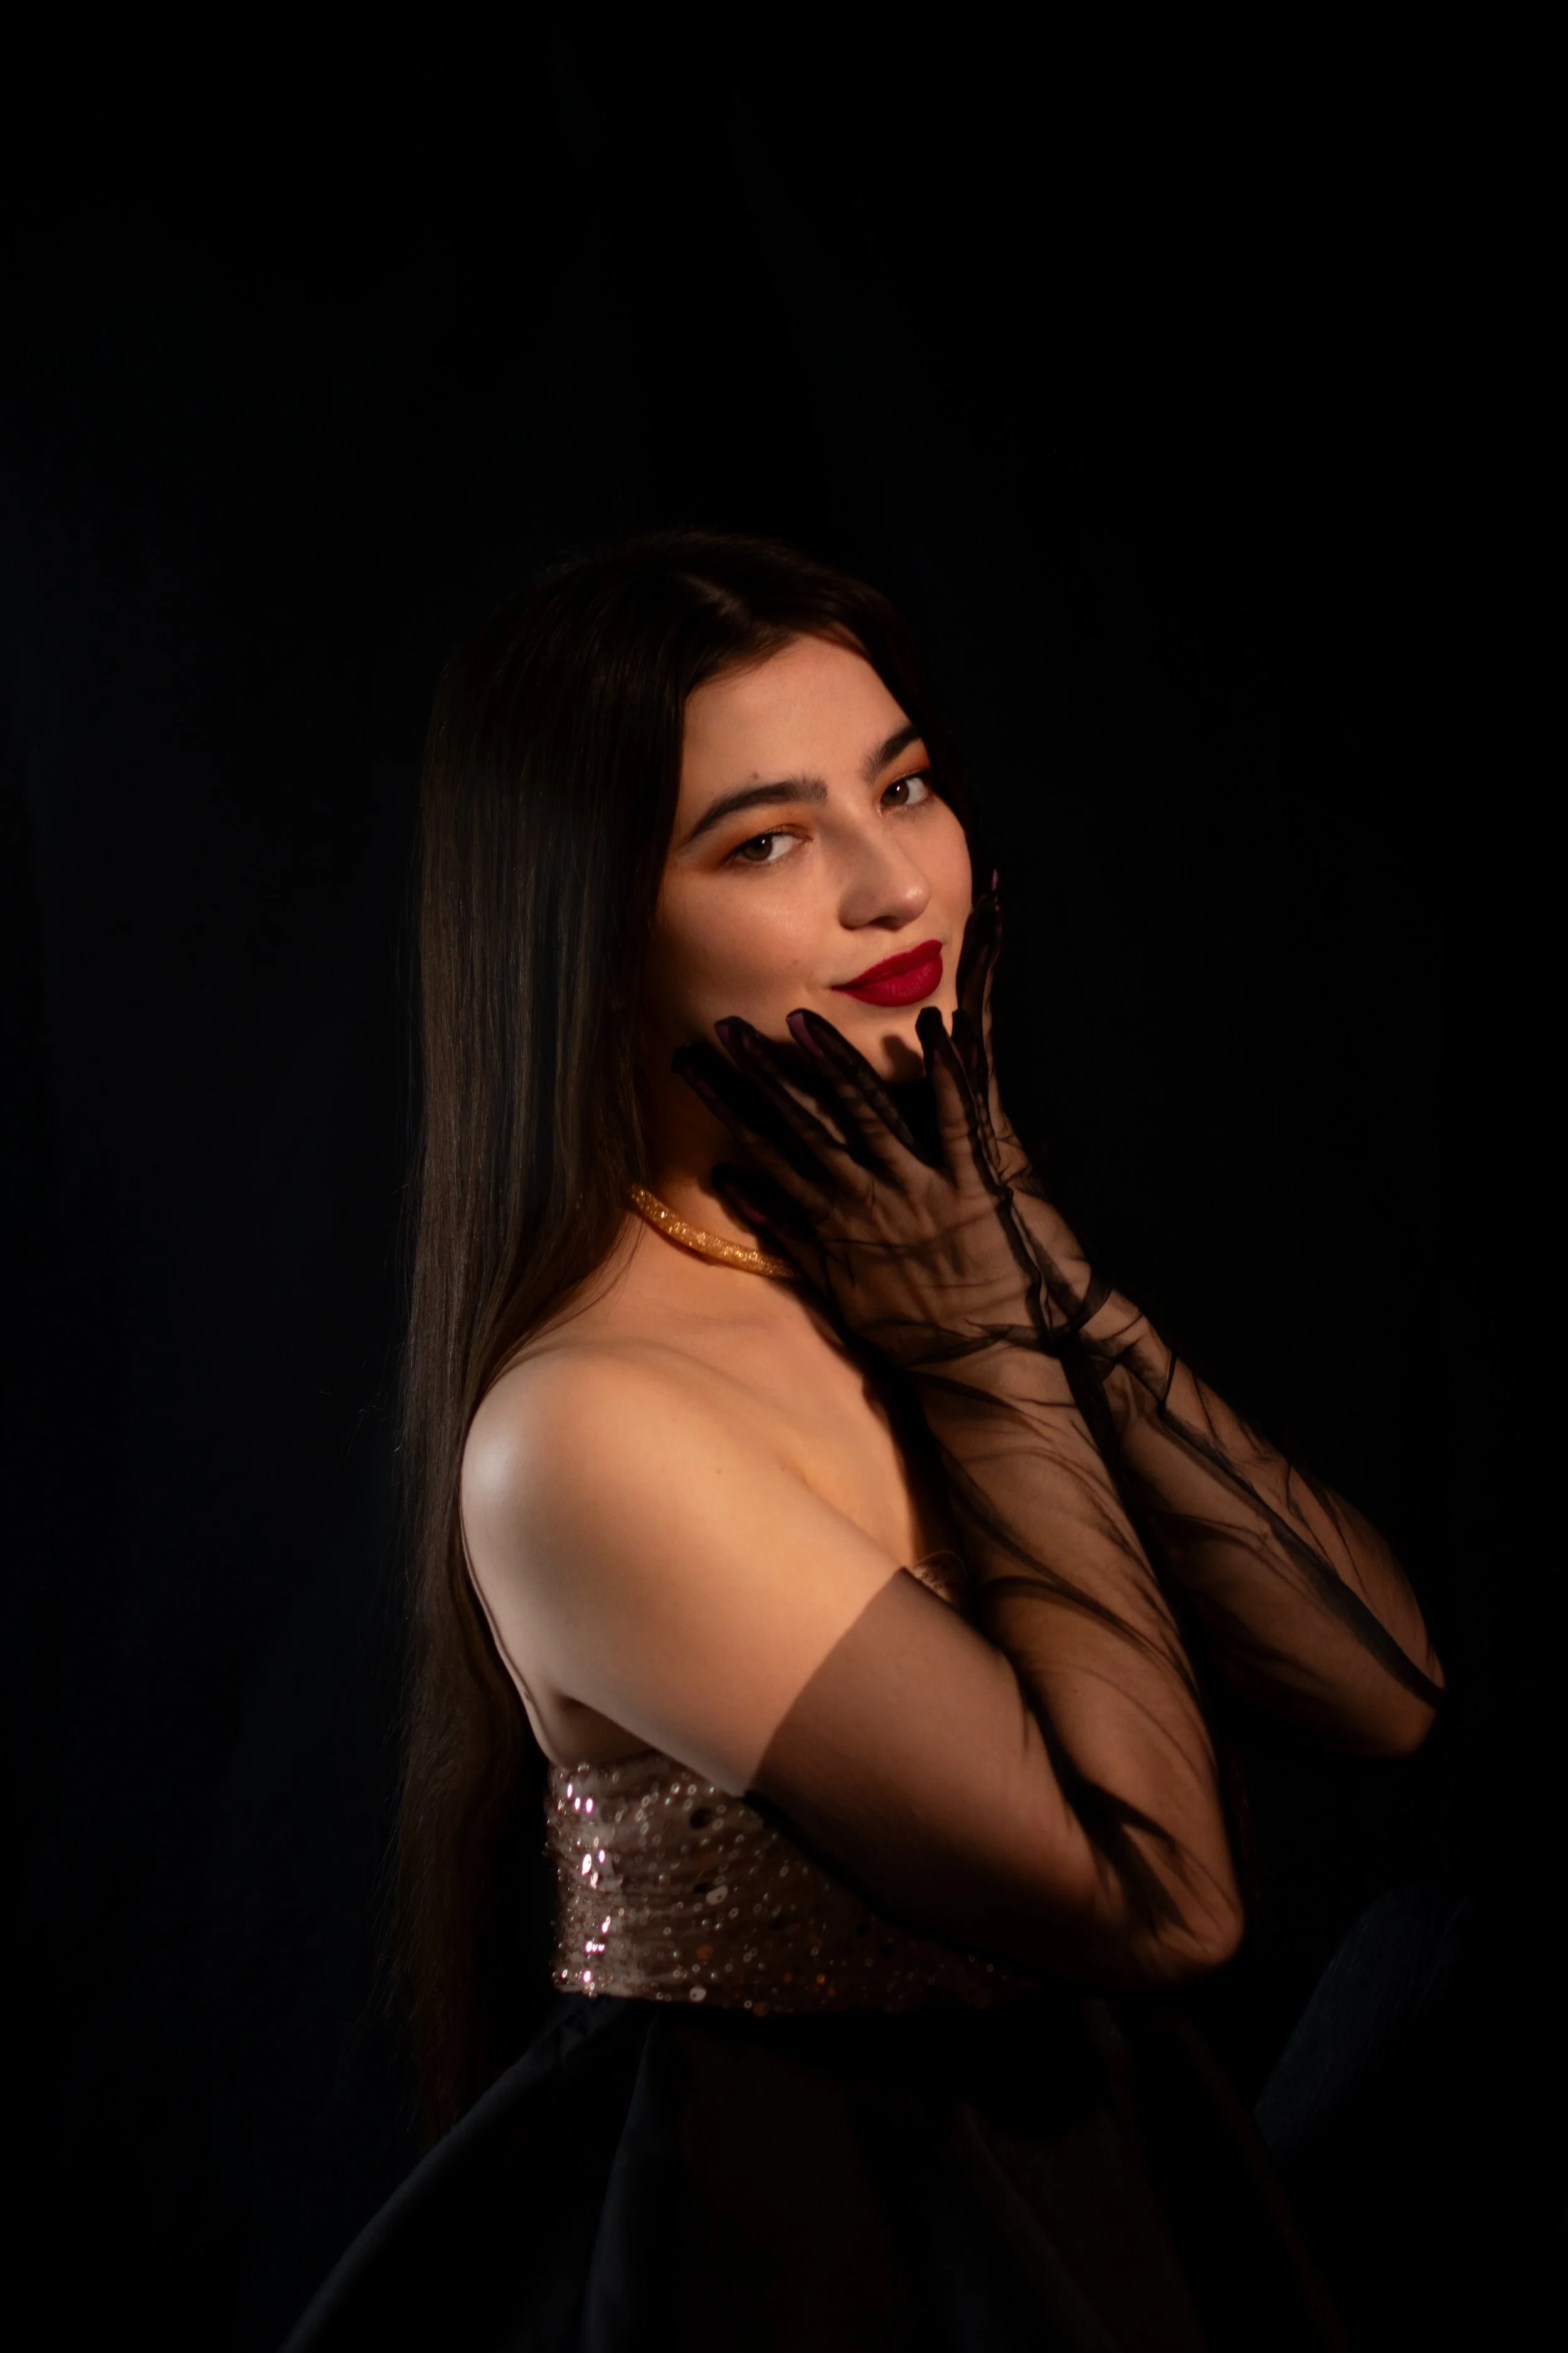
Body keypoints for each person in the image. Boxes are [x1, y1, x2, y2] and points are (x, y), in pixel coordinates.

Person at [283, 532, 1444, 2351]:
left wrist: (1027, 1257)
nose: (893, 883)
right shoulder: (588, 1426)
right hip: (828, 2260)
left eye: (901, 785)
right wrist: (986, 1327)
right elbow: (1161, 1898)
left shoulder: (904, 1246)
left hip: (1117, 2190)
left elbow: (1382, 1693)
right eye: (765, 838)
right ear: (590, 928)